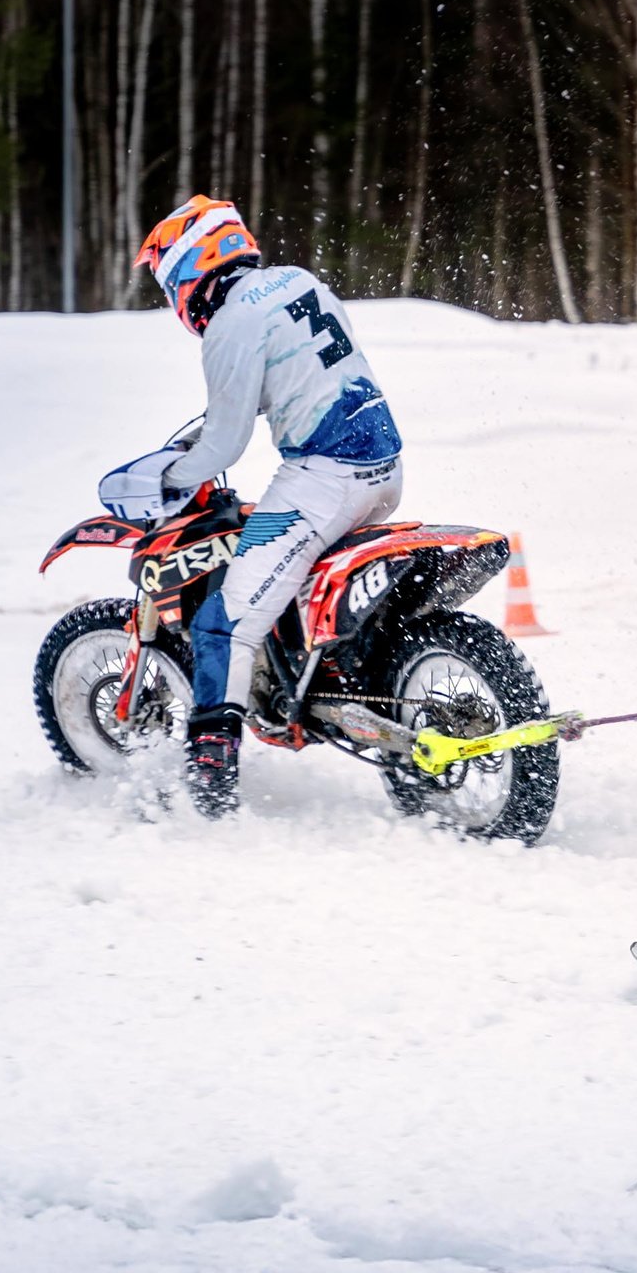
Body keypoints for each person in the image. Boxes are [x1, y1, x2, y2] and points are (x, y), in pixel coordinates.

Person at [130, 195, 405, 817]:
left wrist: (171, 476)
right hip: (384, 467)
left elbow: (227, 441)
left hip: (323, 478)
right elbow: (299, 376)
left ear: (187, 265)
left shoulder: (230, 322)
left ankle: (209, 775)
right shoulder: (297, 282)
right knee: (286, 582)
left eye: (166, 277)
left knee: (222, 623)